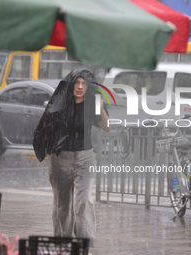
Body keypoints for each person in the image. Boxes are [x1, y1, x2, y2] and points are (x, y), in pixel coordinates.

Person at [33, 69, 110, 249]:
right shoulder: (61, 102)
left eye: (84, 84)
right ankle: (63, 245)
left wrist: (100, 107)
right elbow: (47, 126)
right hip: (61, 159)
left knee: (84, 202)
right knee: (63, 207)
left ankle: (85, 246)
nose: (80, 87)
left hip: (86, 157)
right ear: (72, 84)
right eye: (77, 83)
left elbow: (106, 127)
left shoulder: (93, 102)